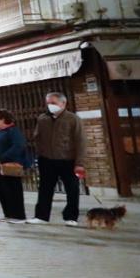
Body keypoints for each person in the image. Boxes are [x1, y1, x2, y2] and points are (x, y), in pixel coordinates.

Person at [32, 91, 86, 226]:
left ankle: (71, 217)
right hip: (47, 160)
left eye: (53, 103)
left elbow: (81, 141)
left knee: (72, 189)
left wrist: (79, 163)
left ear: (63, 103)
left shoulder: (73, 119)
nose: (50, 106)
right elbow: (37, 137)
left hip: (68, 160)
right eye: (48, 103)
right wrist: (40, 153)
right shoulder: (43, 119)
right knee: (45, 189)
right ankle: (41, 216)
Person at [0, 108, 32, 222]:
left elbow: (18, 146)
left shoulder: (13, 131)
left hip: (8, 166)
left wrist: (3, 157)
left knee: (12, 191)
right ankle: (8, 214)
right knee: (1, 191)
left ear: (3, 119)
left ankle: (18, 215)